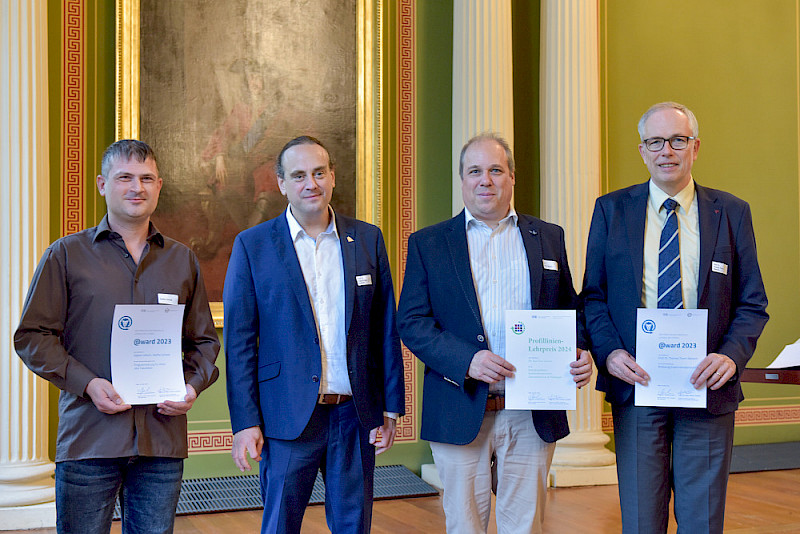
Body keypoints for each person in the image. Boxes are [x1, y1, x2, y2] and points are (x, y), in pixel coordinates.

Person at [15, 139, 221, 534]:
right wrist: (88, 384)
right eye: (124, 177)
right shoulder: (66, 255)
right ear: (102, 184)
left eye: (146, 178)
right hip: (89, 440)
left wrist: (192, 387)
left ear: (159, 186)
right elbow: (32, 336)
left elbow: (205, 342)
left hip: (161, 441)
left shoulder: (182, 259)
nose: (136, 188)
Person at [582, 101, 769, 533]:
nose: (667, 150)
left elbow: (752, 302)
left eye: (678, 140)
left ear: (695, 147)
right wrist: (609, 354)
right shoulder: (612, 211)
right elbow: (593, 297)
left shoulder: (732, 212)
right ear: (643, 150)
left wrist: (730, 357)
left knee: (702, 520)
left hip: (705, 388)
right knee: (642, 519)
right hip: (637, 385)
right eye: (655, 141)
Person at [397, 133, 593, 533]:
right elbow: (412, 322)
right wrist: (467, 360)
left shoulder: (548, 237)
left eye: (495, 170)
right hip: (459, 406)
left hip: (531, 411)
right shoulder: (429, 244)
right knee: (465, 525)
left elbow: (570, 308)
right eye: (475, 171)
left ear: (511, 178)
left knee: (526, 525)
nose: (485, 180)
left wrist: (581, 350)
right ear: (463, 180)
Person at [223, 135, 405, 534]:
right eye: (299, 175)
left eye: (319, 172)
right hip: (287, 417)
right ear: (281, 183)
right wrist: (244, 422)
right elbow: (239, 345)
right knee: (279, 527)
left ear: (333, 176)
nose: (311, 184)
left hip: (355, 414)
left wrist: (390, 408)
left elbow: (384, 329)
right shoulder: (253, 246)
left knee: (354, 525)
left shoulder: (368, 239)